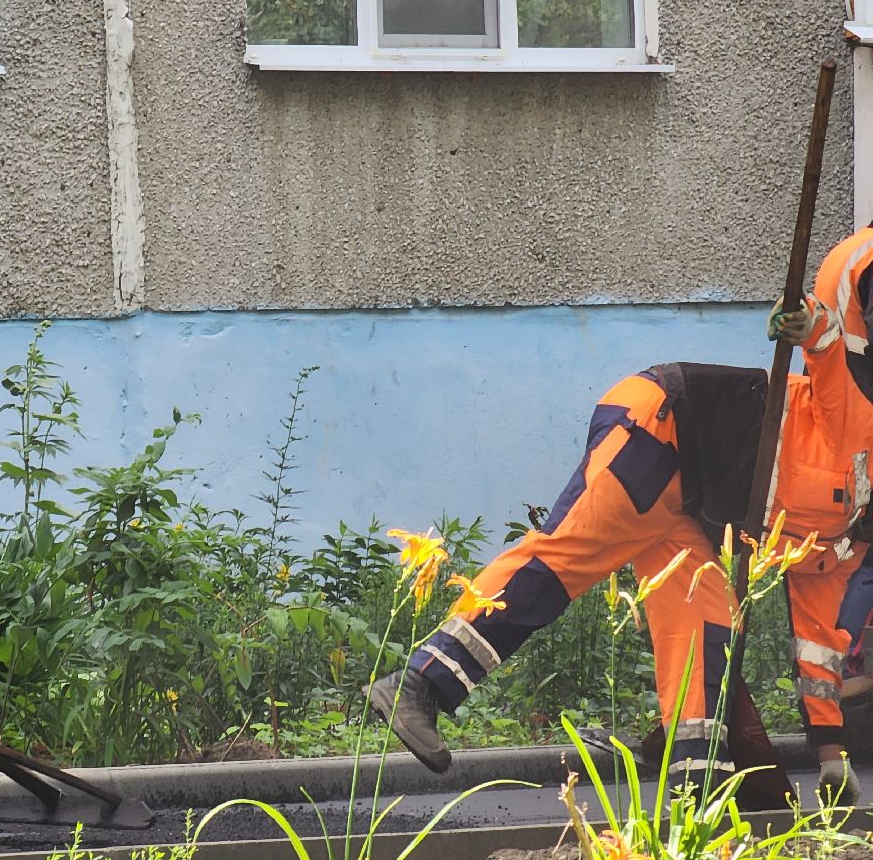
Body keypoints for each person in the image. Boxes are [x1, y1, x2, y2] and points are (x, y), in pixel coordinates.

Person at [368, 233, 873, 806]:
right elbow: (836, 358)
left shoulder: (841, 547)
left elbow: (818, 653)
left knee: (705, 625)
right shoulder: (860, 423)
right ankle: (419, 684)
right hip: (659, 429)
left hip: (690, 513)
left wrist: (832, 760)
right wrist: (807, 326)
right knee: (562, 562)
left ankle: (695, 791)